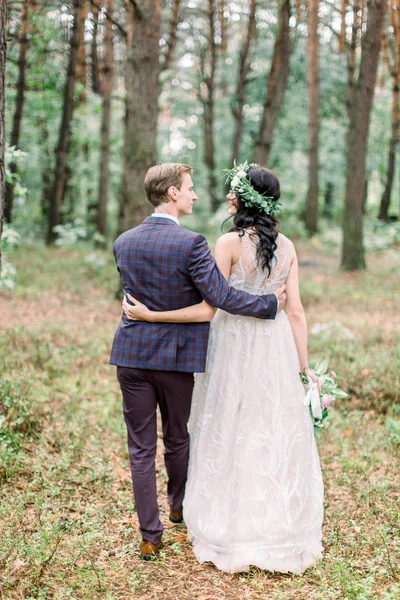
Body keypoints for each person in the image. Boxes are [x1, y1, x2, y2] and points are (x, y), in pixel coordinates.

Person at [122, 162, 324, 574]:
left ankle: (204, 523)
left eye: (234, 190)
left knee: (227, 424)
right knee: (267, 424)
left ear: (246, 198)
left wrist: (150, 315)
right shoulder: (286, 246)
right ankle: (265, 520)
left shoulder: (225, 243)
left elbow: (213, 305)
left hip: (230, 342)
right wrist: (304, 368)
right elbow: (297, 310)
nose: (222, 196)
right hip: (275, 345)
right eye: (192, 188)